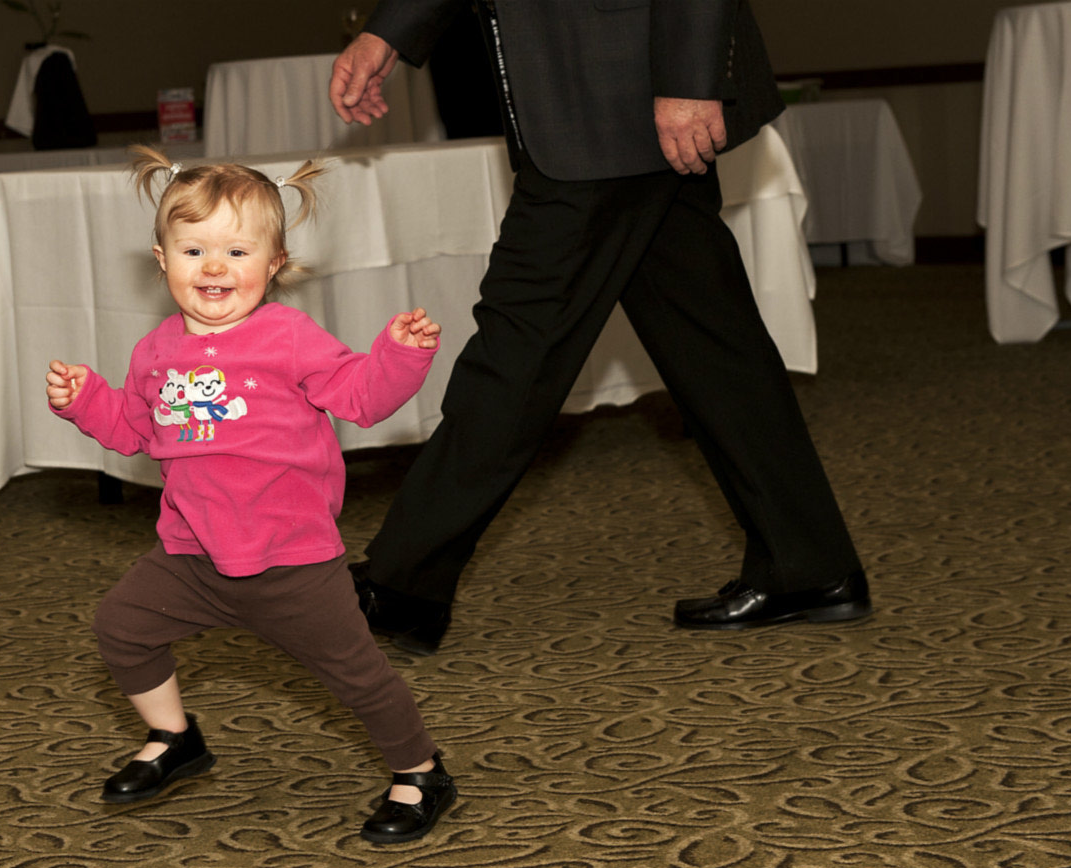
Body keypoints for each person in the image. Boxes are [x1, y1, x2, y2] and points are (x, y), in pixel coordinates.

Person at [328, 0, 871, 655]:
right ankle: (808, 561)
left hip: (625, 94)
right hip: (600, 97)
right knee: (711, 342)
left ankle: (403, 581)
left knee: (519, 345)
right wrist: (390, 31)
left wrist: (687, 77)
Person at [44, 146, 456, 844]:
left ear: (275, 264)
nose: (214, 267)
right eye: (194, 250)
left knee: (357, 674)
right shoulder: (155, 353)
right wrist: (86, 401)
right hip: (192, 555)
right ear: (162, 260)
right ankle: (174, 737)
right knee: (121, 627)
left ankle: (421, 770)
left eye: (237, 251)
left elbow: (361, 397)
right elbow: (135, 431)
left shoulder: (288, 338)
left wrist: (400, 354)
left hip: (291, 560)